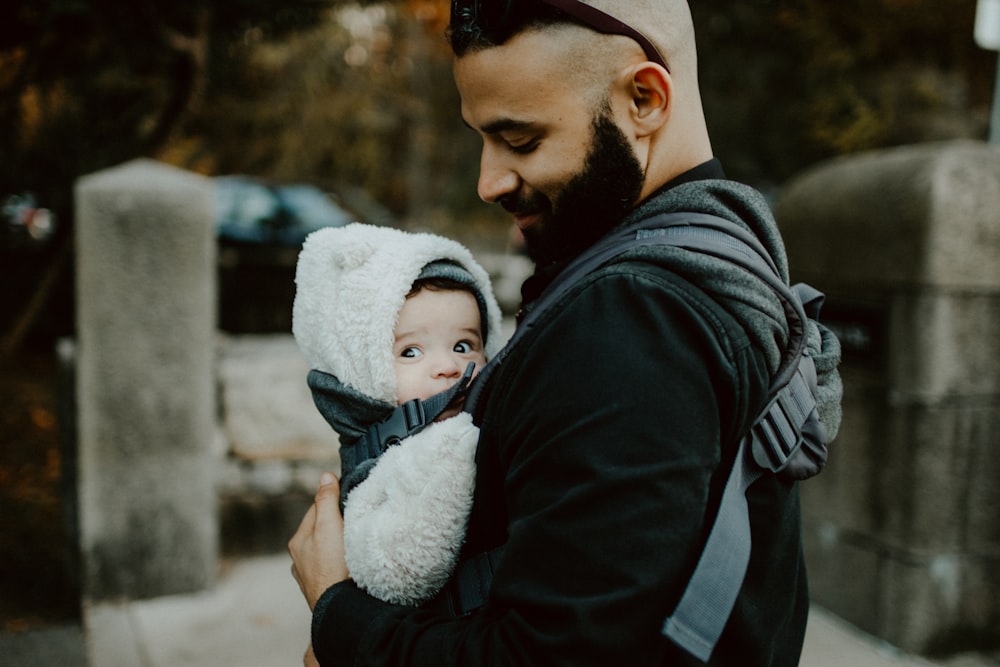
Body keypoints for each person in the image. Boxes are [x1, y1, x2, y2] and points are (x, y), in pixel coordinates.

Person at [289, 2, 843, 665]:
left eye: (520, 140)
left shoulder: (630, 320)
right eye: (481, 139)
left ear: (644, 98)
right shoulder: (733, 247)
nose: (489, 181)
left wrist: (339, 612)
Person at [291, 222, 504, 607]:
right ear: (363, 372)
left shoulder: (492, 427)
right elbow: (401, 567)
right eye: (411, 351)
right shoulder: (376, 464)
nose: (449, 367)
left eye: (463, 345)